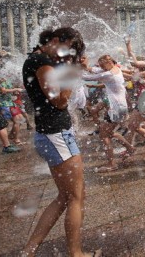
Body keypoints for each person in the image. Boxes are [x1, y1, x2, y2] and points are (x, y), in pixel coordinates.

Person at [21, 27, 97, 257]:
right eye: (66, 50)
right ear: (54, 40)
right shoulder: (42, 61)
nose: (65, 57)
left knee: (67, 197)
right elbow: (60, 102)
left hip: (54, 134)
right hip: (55, 135)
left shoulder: (38, 60)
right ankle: (76, 253)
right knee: (74, 197)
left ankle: (29, 250)